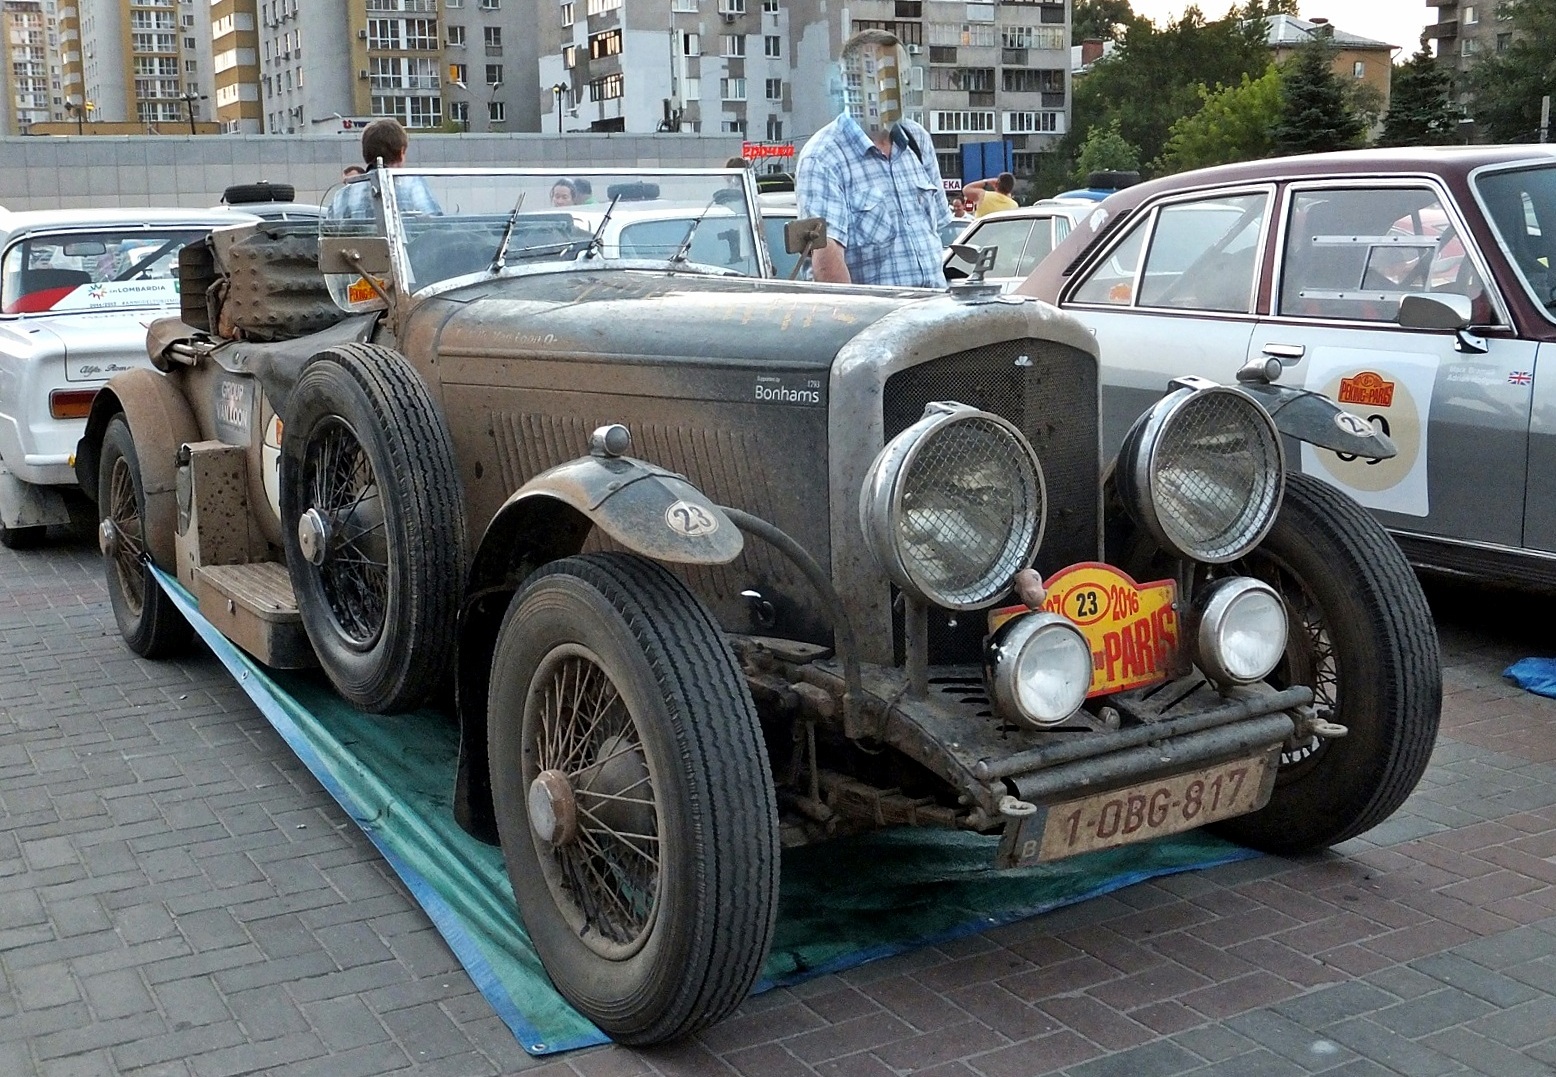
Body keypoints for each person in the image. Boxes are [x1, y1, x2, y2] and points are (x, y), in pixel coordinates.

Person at [794, 29, 951, 287]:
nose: (901, 89)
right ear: (853, 83)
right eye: (888, 78)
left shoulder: (917, 140)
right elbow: (828, 270)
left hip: (933, 317)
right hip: (882, 322)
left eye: (904, 78)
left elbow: (934, 237)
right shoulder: (823, 158)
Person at [332, 117, 439, 219]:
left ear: (365, 152)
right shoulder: (413, 185)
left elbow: (328, 233)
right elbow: (437, 226)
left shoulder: (341, 196)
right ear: (401, 152)